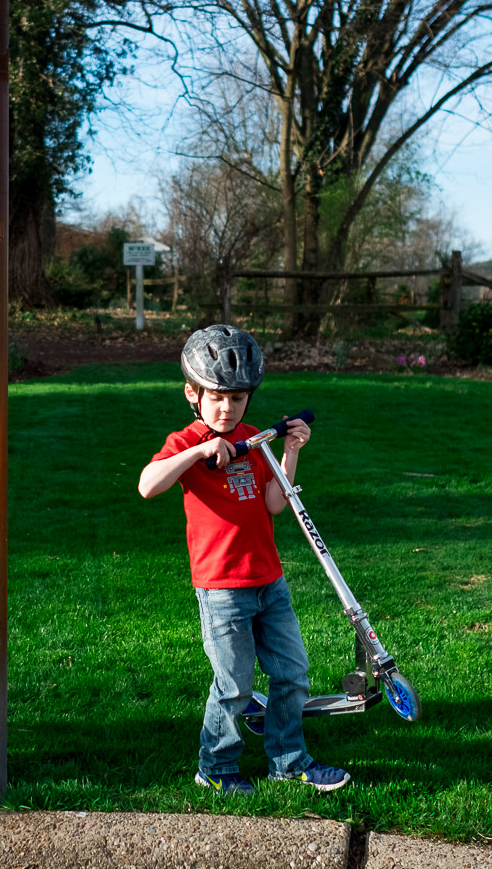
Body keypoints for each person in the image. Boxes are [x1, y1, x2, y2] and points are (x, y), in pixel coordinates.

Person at [137, 325, 350, 795]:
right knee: (233, 685)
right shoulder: (186, 441)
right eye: (216, 397)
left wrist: (289, 452)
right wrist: (198, 450)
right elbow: (148, 485)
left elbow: (275, 502)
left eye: (237, 398)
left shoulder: (254, 440)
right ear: (192, 394)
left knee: (292, 674)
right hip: (221, 589)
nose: (227, 408)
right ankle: (215, 767)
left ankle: (289, 761)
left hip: (268, 580)